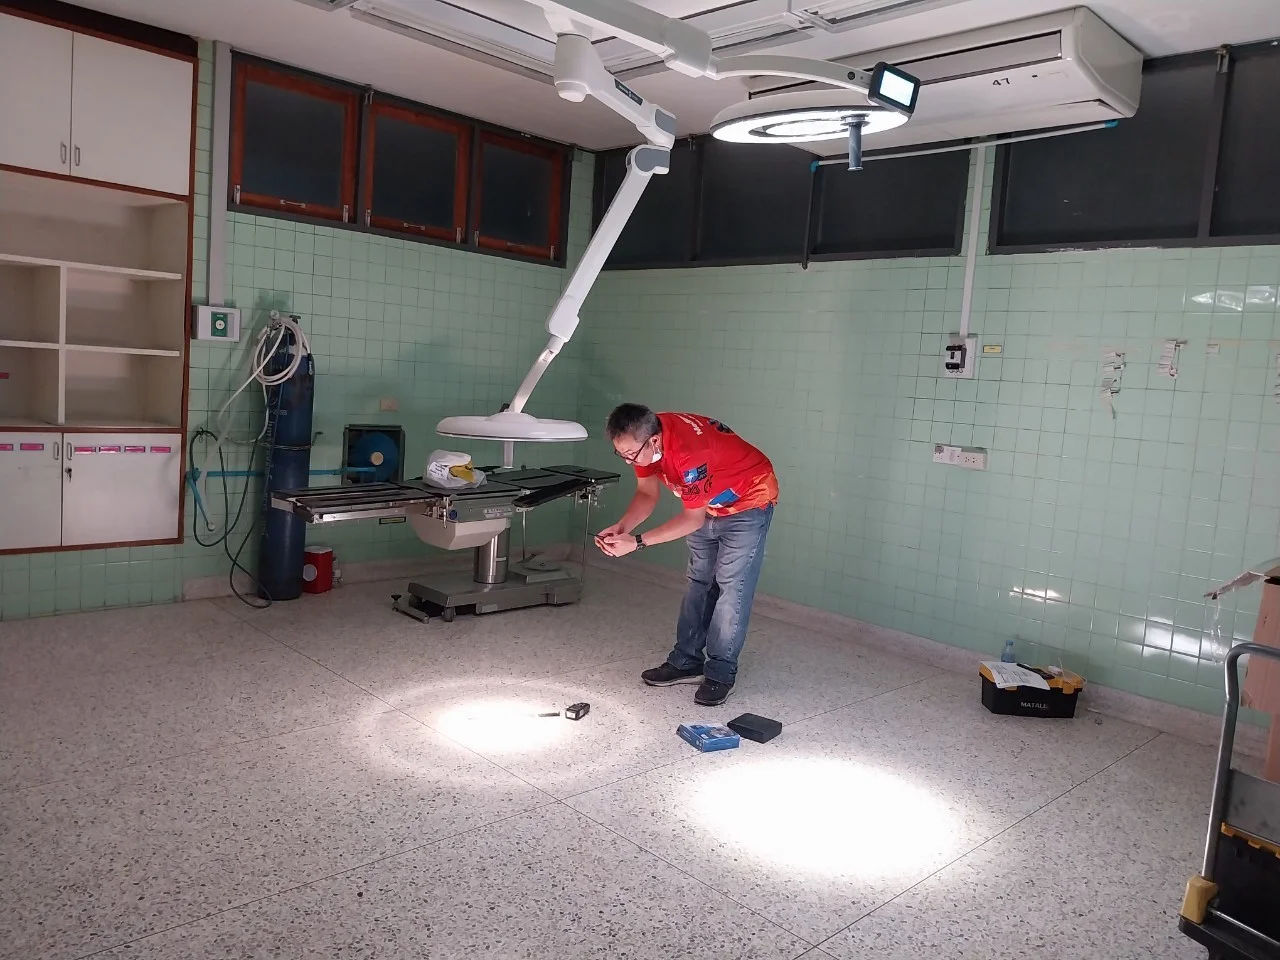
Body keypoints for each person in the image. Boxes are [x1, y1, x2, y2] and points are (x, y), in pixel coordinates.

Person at [597, 404, 778, 706]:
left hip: (749, 501)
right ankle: (686, 661)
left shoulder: (689, 452)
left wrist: (637, 542)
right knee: (699, 582)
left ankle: (721, 673)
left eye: (631, 454)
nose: (628, 460)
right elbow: (647, 493)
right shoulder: (643, 436)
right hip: (709, 503)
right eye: (621, 454)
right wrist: (622, 528)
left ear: (654, 441)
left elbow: (692, 520)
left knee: (732, 588)